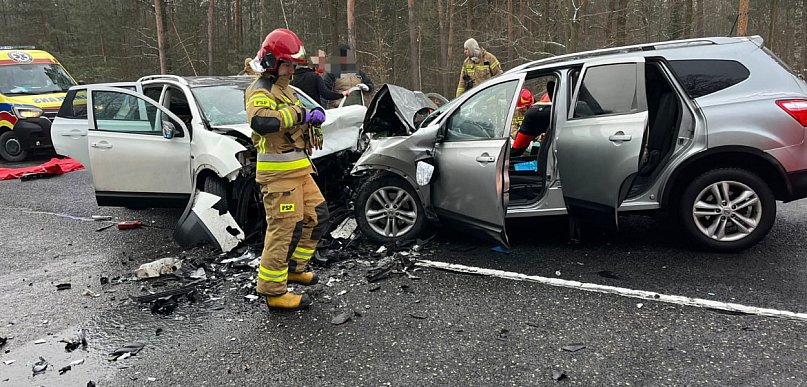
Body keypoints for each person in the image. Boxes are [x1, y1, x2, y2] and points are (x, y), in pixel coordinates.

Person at [244, 28, 330, 311]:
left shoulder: (286, 88)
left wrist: (313, 117)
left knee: (317, 215)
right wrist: (301, 114)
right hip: (279, 175)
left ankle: (295, 267)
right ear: (272, 62)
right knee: (283, 230)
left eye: (294, 65)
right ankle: (274, 291)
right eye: (289, 64)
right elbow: (263, 123)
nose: (293, 69)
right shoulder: (260, 90)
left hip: (299, 169)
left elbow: (299, 115)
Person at [511, 81, 555, 157]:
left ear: (529, 105)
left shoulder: (537, 113)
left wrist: (537, 138)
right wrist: (518, 136)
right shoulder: (516, 114)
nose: (521, 110)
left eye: (523, 108)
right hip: (523, 141)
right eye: (519, 108)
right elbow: (513, 129)